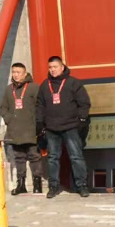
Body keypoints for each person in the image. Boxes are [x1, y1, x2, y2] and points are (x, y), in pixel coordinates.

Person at [35, 56, 91, 198]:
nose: (52, 70)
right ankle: (54, 186)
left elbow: (84, 102)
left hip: (71, 126)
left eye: (55, 67)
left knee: (76, 157)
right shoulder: (44, 85)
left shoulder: (73, 83)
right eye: (50, 67)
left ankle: (82, 185)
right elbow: (40, 105)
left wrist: (82, 119)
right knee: (53, 158)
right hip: (51, 128)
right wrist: (39, 122)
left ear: (62, 67)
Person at [0, 63, 43, 195]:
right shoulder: (9, 89)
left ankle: (37, 184)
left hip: (31, 129)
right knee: (19, 157)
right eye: (14, 72)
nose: (16, 74)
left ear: (25, 73)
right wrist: (9, 120)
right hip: (15, 129)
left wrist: (38, 123)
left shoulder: (34, 87)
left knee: (34, 156)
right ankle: (21, 184)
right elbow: (3, 107)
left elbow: (40, 106)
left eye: (19, 72)